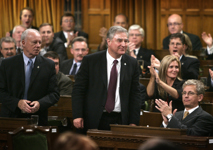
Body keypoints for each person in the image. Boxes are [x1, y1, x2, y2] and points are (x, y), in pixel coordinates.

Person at [72, 26, 141, 133]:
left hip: (121, 119)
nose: (124, 44)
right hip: (94, 118)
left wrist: (134, 121)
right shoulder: (91, 61)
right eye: (119, 40)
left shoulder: (132, 63)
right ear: (108, 41)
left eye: (126, 41)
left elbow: (135, 94)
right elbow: (78, 90)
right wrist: (77, 115)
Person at [0, 29, 59, 126]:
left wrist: (40, 103)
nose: (38, 45)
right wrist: (17, 103)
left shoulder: (48, 65)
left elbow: (54, 94)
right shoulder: (8, 64)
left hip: (38, 119)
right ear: (23, 43)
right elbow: (1, 91)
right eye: (34, 42)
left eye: (40, 42)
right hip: (11, 118)